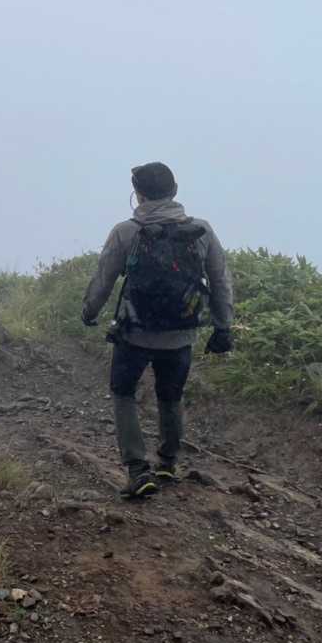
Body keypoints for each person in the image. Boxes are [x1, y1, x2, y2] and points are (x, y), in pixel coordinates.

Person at [81, 162, 233, 498]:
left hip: (134, 333)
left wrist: (89, 311)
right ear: (174, 190)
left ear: (138, 195)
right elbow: (220, 280)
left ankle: (138, 470)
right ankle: (167, 462)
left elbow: (104, 279)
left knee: (123, 393)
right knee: (171, 395)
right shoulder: (202, 231)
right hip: (181, 334)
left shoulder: (125, 232)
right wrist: (223, 327)